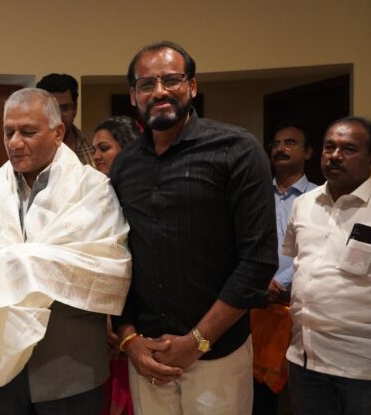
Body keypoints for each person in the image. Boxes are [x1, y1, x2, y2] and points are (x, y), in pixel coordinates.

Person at [110, 41, 276, 414]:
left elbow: (258, 260)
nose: (159, 92)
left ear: (192, 86)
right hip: (148, 355)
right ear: (134, 95)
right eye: (147, 84)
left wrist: (197, 341)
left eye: (171, 80)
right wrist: (129, 340)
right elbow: (117, 256)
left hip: (217, 354)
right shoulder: (125, 165)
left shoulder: (237, 149)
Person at [0, 88, 132, 414]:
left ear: (58, 132)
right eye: (9, 132)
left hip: (69, 363)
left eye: (28, 132)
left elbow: (109, 264)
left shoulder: (93, 188)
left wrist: (10, 261)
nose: (15, 142)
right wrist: (41, 263)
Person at [283, 116, 371, 415]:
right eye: (329, 147)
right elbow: (299, 263)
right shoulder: (304, 203)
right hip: (305, 359)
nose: (335, 155)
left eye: (349, 149)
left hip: (364, 370)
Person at [252, 123, 317, 414]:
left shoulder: (319, 197)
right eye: (276, 143)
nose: (281, 148)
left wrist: (280, 281)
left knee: (298, 391)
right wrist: (260, 281)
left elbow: (317, 249)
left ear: (308, 152)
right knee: (258, 392)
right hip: (258, 304)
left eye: (290, 143)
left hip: (299, 305)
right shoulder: (255, 194)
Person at [91, 115, 139, 415]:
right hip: (103, 307)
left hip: (138, 306)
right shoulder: (95, 195)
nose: (96, 155)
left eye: (104, 148)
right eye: (94, 149)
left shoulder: (138, 192)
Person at [36, 73, 95, 166]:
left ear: (75, 108)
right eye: (52, 109)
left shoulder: (94, 145)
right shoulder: (33, 149)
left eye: (64, 108)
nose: (58, 115)